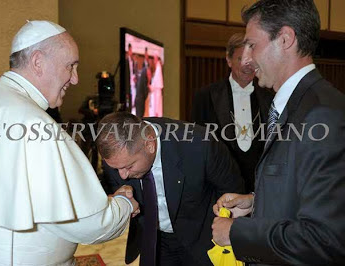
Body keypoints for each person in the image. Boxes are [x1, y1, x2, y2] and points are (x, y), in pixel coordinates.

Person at [0, 20, 138, 265]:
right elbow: (89, 224)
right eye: (71, 66)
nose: (75, 79)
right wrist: (122, 204)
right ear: (38, 62)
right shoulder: (34, 124)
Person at [212, 0, 345, 265]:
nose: (247, 59)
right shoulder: (299, 103)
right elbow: (305, 193)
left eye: (252, 45)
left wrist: (238, 233)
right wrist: (256, 203)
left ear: (285, 39)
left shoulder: (321, 113)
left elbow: (325, 238)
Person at [96, 112, 244, 266]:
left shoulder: (200, 144)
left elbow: (232, 192)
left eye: (129, 166)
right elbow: (117, 185)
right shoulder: (117, 155)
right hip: (155, 240)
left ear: (150, 145)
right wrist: (122, 198)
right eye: (116, 169)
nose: (123, 175)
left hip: (202, 238)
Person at [192, 33, 273, 193]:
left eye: (251, 60)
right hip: (219, 188)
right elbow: (197, 146)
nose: (247, 65)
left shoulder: (271, 99)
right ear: (228, 60)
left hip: (260, 190)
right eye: (240, 58)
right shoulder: (205, 96)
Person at [135, 47, 150, 117]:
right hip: (140, 99)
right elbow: (144, 85)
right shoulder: (145, 71)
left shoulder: (145, 69)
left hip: (140, 98)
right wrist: (147, 94)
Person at [148, 51, 163, 117]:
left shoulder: (158, 67)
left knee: (157, 108)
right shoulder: (157, 67)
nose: (154, 60)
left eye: (154, 58)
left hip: (157, 91)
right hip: (155, 91)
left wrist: (151, 86)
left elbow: (157, 82)